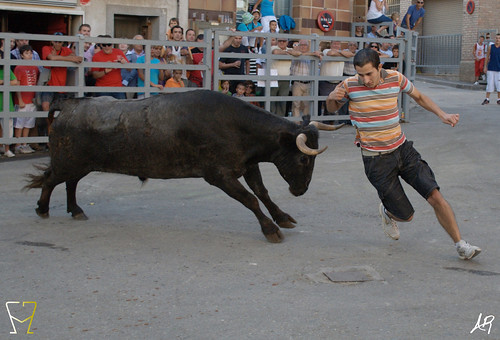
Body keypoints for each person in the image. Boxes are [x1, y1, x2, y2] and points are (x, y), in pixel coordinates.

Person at [326, 48, 481, 260]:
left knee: (435, 195)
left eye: (369, 74)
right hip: (376, 160)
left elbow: (419, 96)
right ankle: (388, 212)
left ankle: (461, 245)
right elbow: (332, 108)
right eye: (360, 74)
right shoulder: (349, 85)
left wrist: (442, 114)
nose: (365, 79)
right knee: (406, 216)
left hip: (403, 149)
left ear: (380, 67)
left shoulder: (396, 78)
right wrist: (332, 98)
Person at [41, 32, 83, 131]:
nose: (57, 44)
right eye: (55, 41)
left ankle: (54, 131)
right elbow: (51, 58)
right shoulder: (46, 48)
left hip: (61, 86)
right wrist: (69, 59)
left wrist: (59, 58)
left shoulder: (66, 50)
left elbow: (77, 59)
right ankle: (50, 129)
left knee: (58, 112)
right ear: (52, 41)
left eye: (60, 42)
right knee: (45, 106)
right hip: (48, 84)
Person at [14, 44, 39, 154]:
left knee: (28, 124)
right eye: (26, 53)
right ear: (21, 55)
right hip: (22, 100)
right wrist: (19, 100)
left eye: (30, 53)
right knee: (19, 124)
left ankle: (25, 144)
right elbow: (17, 85)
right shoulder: (19, 68)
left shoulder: (35, 67)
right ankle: (18, 145)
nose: (29, 55)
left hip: (31, 99)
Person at [290, 39, 322, 120]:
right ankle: (296, 123)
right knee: (296, 104)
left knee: (306, 105)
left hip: (308, 83)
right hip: (297, 83)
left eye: (305, 45)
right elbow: (299, 54)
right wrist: (313, 54)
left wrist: (316, 54)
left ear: (308, 47)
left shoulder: (311, 57)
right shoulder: (295, 54)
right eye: (301, 45)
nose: (303, 47)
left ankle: (305, 124)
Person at [91, 35, 128, 99]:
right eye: (104, 45)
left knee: (121, 108)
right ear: (101, 45)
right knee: (103, 108)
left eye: (109, 44)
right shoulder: (96, 56)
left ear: (112, 44)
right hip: (102, 89)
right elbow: (94, 75)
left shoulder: (118, 52)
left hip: (118, 88)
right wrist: (105, 71)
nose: (107, 47)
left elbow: (130, 69)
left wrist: (124, 63)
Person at [270, 38, 299, 117]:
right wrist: (290, 53)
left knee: (282, 102)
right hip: (273, 79)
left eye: (284, 41)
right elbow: (276, 52)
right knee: (271, 101)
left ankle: (280, 121)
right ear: (277, 41)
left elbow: (298, 53)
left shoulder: (289, 49)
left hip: (285, 80)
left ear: (287, 42)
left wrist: (289, 52)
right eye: (280, 41)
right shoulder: (273, 47)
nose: (282, 42)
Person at [0, 45, 18, 158]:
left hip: (6, 103)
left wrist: (2, 81)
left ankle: (6, 149)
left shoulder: (6, 70)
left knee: (8, 126)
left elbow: (15, 82)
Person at [481, 33, 500, 105]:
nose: (497, 39)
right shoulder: (491, 47)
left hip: (499, 69)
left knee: (499, 85)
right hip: (491, 68)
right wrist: (485, 66)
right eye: (496, 38)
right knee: (489, 84)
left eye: (499, 38)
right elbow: (487, 57)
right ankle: (487, 99)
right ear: (495, 39)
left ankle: (499, 99)